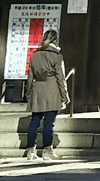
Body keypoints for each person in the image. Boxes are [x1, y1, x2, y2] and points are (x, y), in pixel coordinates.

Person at [25, 29, 70, 161]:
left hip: (37, 89)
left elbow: (30, 77)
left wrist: (29, 93)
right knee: (49, 123)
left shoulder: (34, 55)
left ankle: (31, 151)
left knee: (35, 121)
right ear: (55, 40)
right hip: (52, 89)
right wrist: (65, 95)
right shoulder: (57, 56)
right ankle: (47, 150)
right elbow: (61, 78)